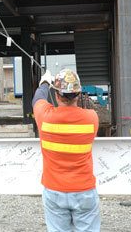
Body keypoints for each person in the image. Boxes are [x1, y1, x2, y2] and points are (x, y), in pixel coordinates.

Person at [32, 69, 100, 232]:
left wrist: (45, 83)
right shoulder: (91, 118)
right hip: (84, 189)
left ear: (56, 95)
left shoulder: (45, 117)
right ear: (78, 94)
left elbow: (37, 98)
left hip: (54, 189)